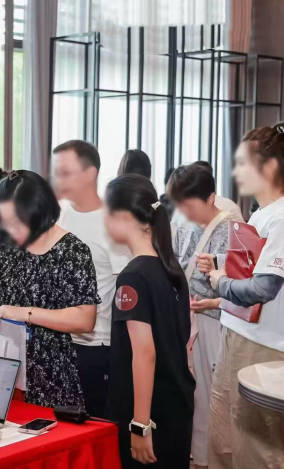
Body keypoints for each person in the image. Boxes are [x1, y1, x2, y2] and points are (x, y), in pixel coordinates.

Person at [0, 170, 100, 408]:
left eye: (17, 222)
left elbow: (84, 319)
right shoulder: (0, 237)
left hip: (50, 373)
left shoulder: (73, 251)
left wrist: (24, 313)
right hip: (1, 365)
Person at [196, 126, 284, 469]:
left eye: (244, 163)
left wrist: (220, 282)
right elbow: (250, 267)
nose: (236, 172)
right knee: (223, 440)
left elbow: (263, 288)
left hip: (263, 345)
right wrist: (220, 264)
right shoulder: (261, 213)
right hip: (236, 332)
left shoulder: (280, 218)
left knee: (256, 449)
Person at [104, 174, 195, 468]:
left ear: (123, 216)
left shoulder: (133, 277)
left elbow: (145, 353)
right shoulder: (171, 269)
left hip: (149, 413)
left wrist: (140, 425)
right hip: (176, 405)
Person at [166, 164, 239, 469]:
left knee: (212, 392)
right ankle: (194, 453)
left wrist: (216, 277)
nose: (185, 212)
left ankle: (210, 456)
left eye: (191, 205)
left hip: (214, 320)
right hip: (186, 315)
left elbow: (242, 282)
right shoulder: (183, 221)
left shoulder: (232, 227)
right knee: (191, 390)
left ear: (210, 198)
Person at [51, 140, 131, 418]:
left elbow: (125, 289)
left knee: (93, 426)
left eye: (66, 172)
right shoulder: (60, 214)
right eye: (57, 172)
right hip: (58, 340)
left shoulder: (112, 223)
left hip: (96, 346)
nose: (59, 179)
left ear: (90, 174)